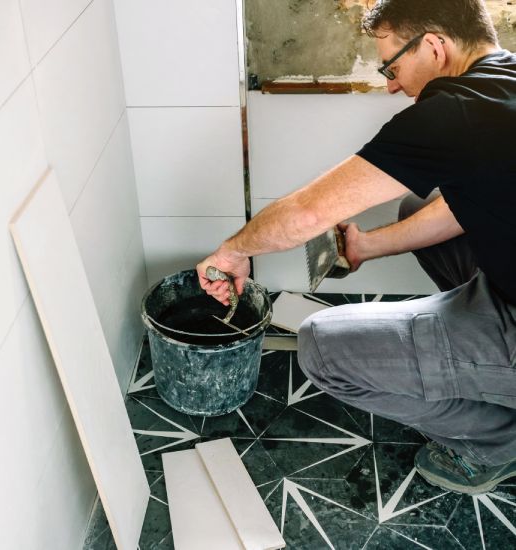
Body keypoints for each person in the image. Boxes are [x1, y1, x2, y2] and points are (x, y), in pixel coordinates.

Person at [196, 0, 516, 495]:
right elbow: (462, 208)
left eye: (391, 67)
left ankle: (497, 444)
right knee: (418, 205)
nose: (391, 85)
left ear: (434, 45)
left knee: (322, 347)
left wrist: (232, 252)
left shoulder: (455, 112)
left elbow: (307, 213)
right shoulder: (503, 83)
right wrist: (365, 246)